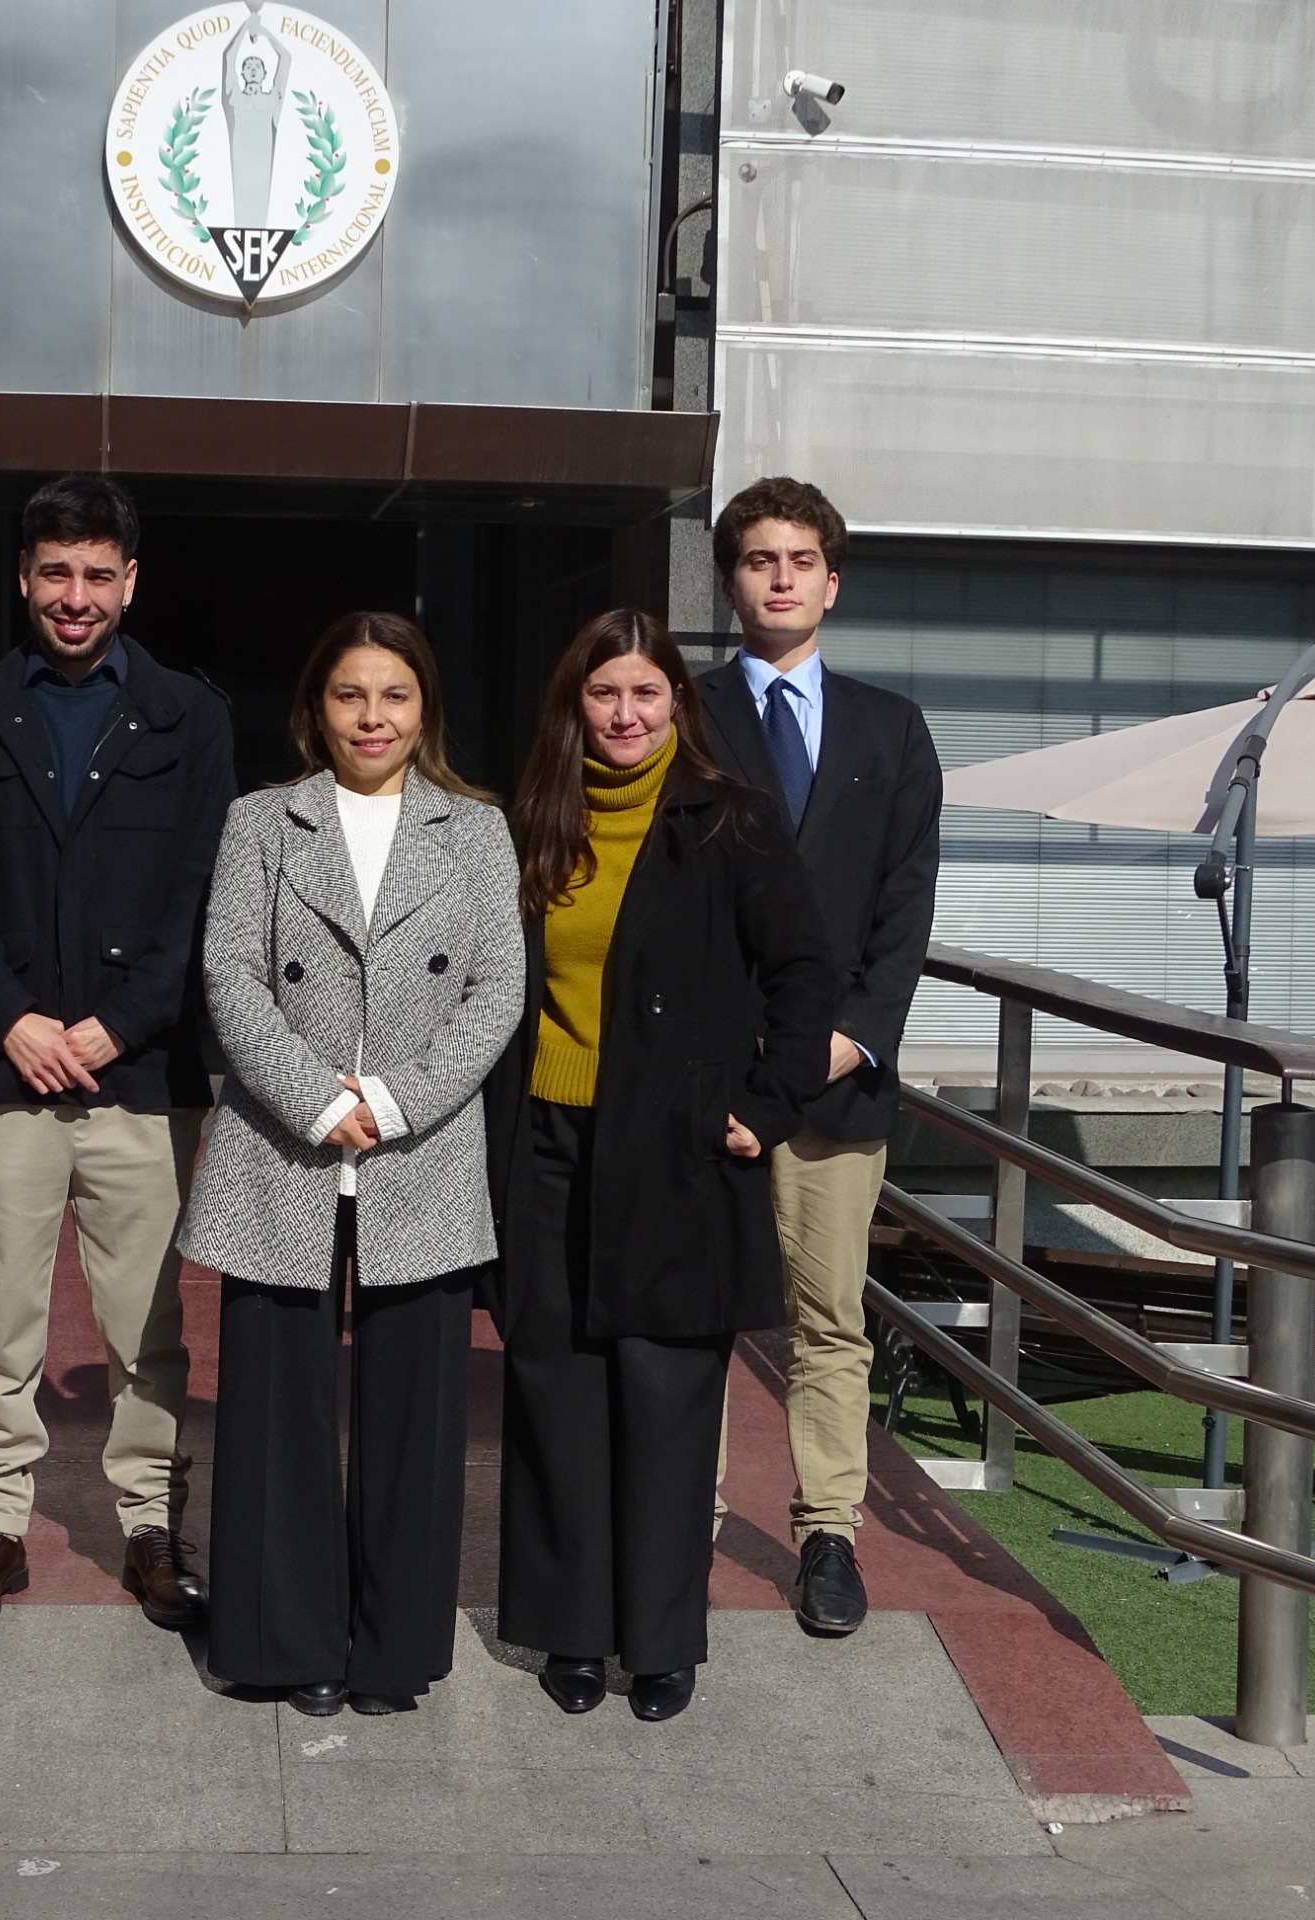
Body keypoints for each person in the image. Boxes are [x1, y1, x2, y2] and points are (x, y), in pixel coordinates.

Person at [486, 609, 837, 1722]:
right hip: (548, 1139)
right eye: (604, 694)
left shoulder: (731, 818)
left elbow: (805, 975)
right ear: (574, 705)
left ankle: (660, 1641)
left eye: (646, 693)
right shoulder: (533, 820)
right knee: (557, 1389)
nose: (626, 714)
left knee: (665, 1400)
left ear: (677, 703)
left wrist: (764, 1107)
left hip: (678, 1148)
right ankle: (571, 1631)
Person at [178, 613, 522, 1716]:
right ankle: (283, 1643)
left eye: (394, 696)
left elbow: (498, 990)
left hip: (422, 1149)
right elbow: (230, 973)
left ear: (426, 710)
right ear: (314, 709)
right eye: (349, 695)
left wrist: (395, 1099)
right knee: (273, 1409)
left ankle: (393, 1649)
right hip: (283, 1146)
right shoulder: (261, 820)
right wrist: (319, 1099)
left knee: (417, 1420)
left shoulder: (477, 829)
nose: (372, 718)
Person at [0, 476, 234, 1634]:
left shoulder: (190, 718)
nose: (76, 595)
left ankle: (149, 1526)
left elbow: (204, 895)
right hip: (0, 1070)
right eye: (56, 572)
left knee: (146, 1323)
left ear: (130, 581)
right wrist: (14, 1020)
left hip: (137, 1074)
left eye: (98, 573)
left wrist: (118, 1023)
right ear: (23, 577)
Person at [697, 478, 941, 1637]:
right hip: (706, 1081)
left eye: (800, 560)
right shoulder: (680, 714)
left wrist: (836, 1045)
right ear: (729, 581)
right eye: (759, 559)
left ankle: (827, 1535)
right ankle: (680, 1516)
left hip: (837, 1082)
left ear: (832, 583)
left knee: (827, 1319)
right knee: (693, 1308)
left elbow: (904, 910)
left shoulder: (891, 729)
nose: (781, 577)